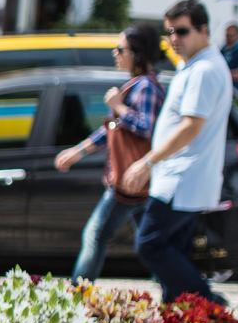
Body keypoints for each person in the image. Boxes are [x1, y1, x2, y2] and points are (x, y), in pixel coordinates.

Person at [121, 0, 233, 306]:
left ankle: (209, 301)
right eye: (169, 32)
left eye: (181, 31)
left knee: (150, 245)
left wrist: (147, 162)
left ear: (203, 30)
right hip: (180, 178)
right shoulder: (197, 65)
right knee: (173, 251)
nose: (174, 39)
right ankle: (181, 318)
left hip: (182, 179)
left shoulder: (205, 70)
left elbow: (191, 127)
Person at [55, 24, 166, 283]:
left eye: (120, 49)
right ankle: (179, 292)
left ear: (137, 53)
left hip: (129, 179)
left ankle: (76, 299)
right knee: (151, 245)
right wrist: (78, 151)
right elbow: (111, 131)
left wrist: (118, 107)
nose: (114, 53)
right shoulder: (135, 86)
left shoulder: (145, 88)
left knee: (95, 235)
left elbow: (145, 127)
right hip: (133, 180)